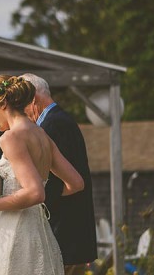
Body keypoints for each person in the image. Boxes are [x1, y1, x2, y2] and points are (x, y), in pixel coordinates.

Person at [0, 75, 84, 275]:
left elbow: (35, 193)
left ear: (2, 104)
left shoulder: (11, 138)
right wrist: (40, 200)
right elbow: (76, 183)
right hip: (41, 230)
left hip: (17, 230)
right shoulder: (42, 135)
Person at [21, 73, 98, 275]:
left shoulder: (54, 125)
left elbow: (60, 181)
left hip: (66, 234)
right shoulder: (56, 121)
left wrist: (31, 198)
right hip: (67, 234)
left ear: (33, 99)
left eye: (21, 103)